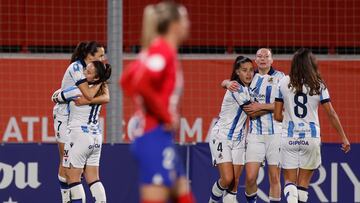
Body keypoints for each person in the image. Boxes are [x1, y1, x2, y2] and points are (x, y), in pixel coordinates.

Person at [120, 2, 195, 203]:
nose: (189, 24)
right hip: (153, 136)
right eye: (185, 19)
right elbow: (142, 84)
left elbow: (126, 81)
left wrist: (145, 109)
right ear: (174, 25)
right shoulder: (163, 51)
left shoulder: (154, 50)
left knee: (183, 194)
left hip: (158, 136)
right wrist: (165, 115)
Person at [274, 48, 350, 203]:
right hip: (311, 138)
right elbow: (331, 113)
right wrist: (344, 138)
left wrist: (290, 121)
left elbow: (276, 115)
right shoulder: (318, 85)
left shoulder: (283, 82)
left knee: (289, 182)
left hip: (289, 138)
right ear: (311, 64)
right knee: (303, 186)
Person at [223, 48, 284, 202]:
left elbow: (284, 106)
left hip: (276, 133)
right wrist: (226, 83)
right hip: (255, 134)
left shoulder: (281, 78)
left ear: (272, 60)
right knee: (250, 178)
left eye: (266, 56)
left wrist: (260, 106)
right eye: (259, 56)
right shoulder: (251, 77)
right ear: (256, 60)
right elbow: (231, 84)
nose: (263, 58)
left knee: (274, 177)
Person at [51, 41, 108, 203]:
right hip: (66, 117)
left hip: (78, 126)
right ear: (89, 56)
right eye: (100, 55)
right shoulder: (80, 70)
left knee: (73, 172)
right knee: (69, 164)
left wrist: (62, 95)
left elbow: (88, 96)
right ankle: (65, 199)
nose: (103, 59)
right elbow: (99, 96)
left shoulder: (94, 74)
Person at [208, 56, 254, 203]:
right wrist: (275, 108)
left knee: (234, 183)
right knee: (227, 179)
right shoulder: (236, 88)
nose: (248, 74)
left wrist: (225, 82)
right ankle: (212, 200)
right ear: (237, 72)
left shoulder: (251, 87)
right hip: (222, 136)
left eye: (251, 70)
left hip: (239, 139)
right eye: (244, 70)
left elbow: (224, 83)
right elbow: (252, 111)